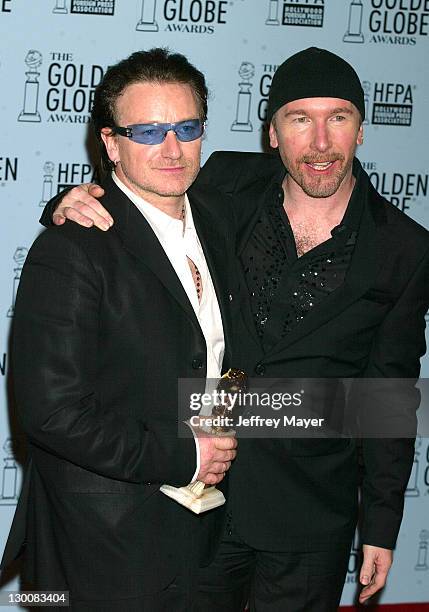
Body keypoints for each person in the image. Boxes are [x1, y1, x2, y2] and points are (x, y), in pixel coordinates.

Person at [41, 48, 429, 611]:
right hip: (202, 497)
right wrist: (69, 202)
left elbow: (390, 395)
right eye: (300, 119)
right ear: (273, 133)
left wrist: (382, 525)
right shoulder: (222, 181)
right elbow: (141, 203)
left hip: (310, 516)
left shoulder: (405, 248)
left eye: (338, 118)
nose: (320, 142)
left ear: (362, 130)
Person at [1, 48, 239, 611]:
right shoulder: (72, 248)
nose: (172, 148)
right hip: (99, 549)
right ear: (111, 144)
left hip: (204, 541)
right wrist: (186, 457)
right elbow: (50, 412)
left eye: (187, 127)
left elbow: (314, 162)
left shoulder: (222, 216)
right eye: (149, 131)